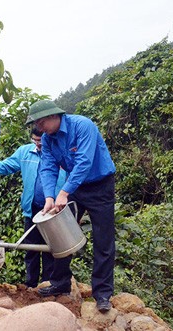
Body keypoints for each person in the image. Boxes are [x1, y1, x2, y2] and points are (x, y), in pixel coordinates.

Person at [26, 99, 116, 313]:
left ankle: (102, 294)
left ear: (53, 116)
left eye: (41, 123)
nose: (39, 129)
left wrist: (64, 192)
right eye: (36, 125)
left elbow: (84, 162)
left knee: (103, 239)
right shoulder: (47, 139)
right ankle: (60, 282)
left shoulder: (83, 126)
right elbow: (47, 167)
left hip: (100, 185)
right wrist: (50, 197)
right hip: (74, 187)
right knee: (59, 231)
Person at [0, 127, 67, 288]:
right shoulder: (25, 152)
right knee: (31, 250)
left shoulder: (60, 152)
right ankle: (31, 286)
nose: (38, 144)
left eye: (41, 141)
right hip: (32, 210)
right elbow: (6, 166)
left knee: (52, 250)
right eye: (35, 140)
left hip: (55, 212)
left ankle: (48, 285)